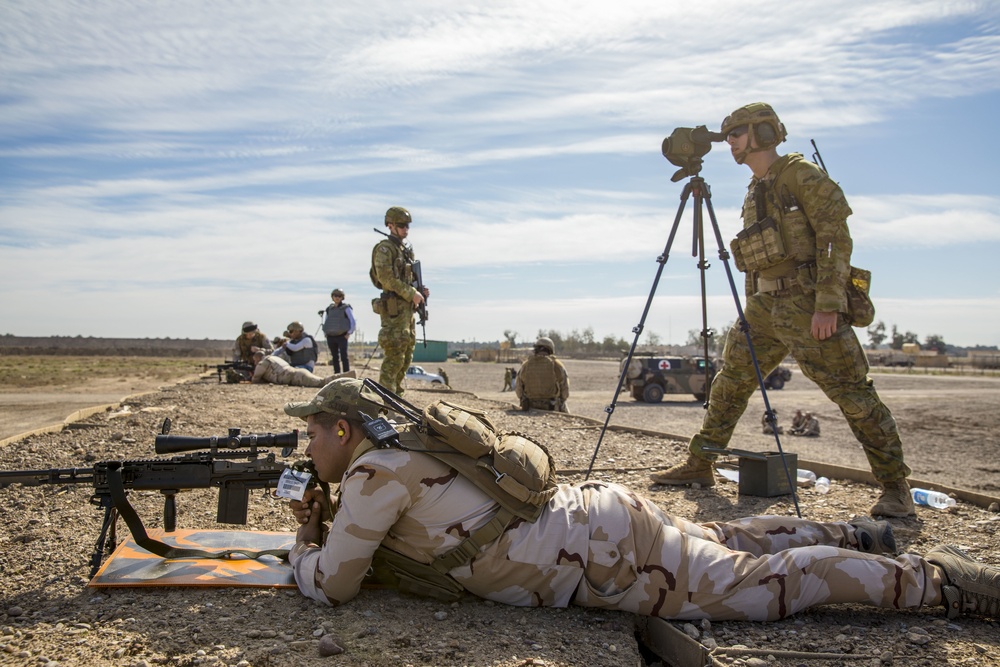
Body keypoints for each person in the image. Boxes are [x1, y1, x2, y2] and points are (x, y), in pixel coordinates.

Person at [282, 378, 1000, 624]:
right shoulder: (409, 447)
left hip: (602, 555)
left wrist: (302, 547)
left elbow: (335, 583)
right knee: (734, 543)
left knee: (764, 587)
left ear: (343, 428)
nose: (307, 446)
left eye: (312, 433)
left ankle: (940, 581)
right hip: (595, 519)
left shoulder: (375, 473)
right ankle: (865, 533)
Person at [651, 103, 914, 518]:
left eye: (737, 133)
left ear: (763, 134)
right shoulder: (756, 189)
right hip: (764, 306)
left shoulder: (801, 176)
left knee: (854, 395)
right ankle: (701, 464)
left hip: (808, 303)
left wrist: (828, 306)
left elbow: (835, 241)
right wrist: (751, 303)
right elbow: (758, 254)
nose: (731, 142)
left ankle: (896, 489)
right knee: (730, 382)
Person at [370, 206, 429, 395]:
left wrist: (419, 291)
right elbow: (386, 279)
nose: (406, 229)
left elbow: (407, 278)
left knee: (405, 358)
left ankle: (396, 398)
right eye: (402, 225)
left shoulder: (404, 250)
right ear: (390, 225)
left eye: (407, 226)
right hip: (394, 312)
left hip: (407, 312)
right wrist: (411, 293)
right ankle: (386, 403)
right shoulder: (385, 249)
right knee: (394, 359)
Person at [514, 337, 569, 412]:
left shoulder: (526, 365)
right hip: (551, 407)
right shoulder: (557, 365)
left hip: (530, 407)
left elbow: (519, 392)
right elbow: (565, 393)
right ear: (550, 349)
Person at [251, 351, 354, 387]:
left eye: (255, 360)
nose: (255, 363)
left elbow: (256, 378)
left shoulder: (263, 363)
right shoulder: (273, 358)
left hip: (295, 377)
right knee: (322, 381)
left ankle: (349, 378)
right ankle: (349, 377)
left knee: (322, 382)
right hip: (297, 373)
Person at [322, 289, 356, 374]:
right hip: (331, 336)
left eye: (339, 296)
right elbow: (326, 321)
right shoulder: (329, 309)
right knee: (334, 357)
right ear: (332, 297)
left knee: (344, 356)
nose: (337, 298)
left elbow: (352, 321)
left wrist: (349, 333)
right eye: (335, 296)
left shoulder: (346, 308)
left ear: (342, 297)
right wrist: (325, 333)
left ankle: (346, 374)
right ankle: (337, 374)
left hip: (342, 335)